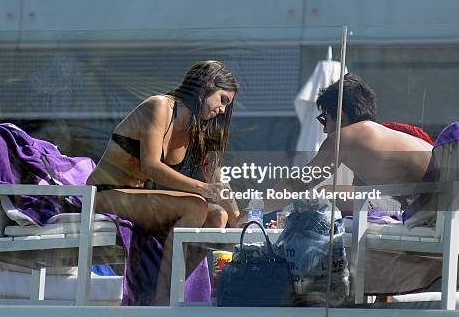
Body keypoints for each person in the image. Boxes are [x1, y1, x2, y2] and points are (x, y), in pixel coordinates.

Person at [87, 60, 242, 305]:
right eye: (222, 99)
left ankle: (163, 290)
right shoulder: (160, 106)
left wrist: (240, 220)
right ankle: (162, 302)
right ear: (206, 86)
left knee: (217, 217)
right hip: (106, 194)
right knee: (195, 205)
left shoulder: (203, 129)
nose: (222, 110)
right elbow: (150, 165)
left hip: (140, 201)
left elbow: (216, 177)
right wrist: (202, 188)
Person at [265, 72, 433, 215]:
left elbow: (297, 184)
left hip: (426, 204)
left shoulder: (345, 137)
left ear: (341, 116)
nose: (324, 130)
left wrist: (253, 212)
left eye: (324, 120)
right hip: (439, 203)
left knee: (324, 193)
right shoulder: (380, 136)